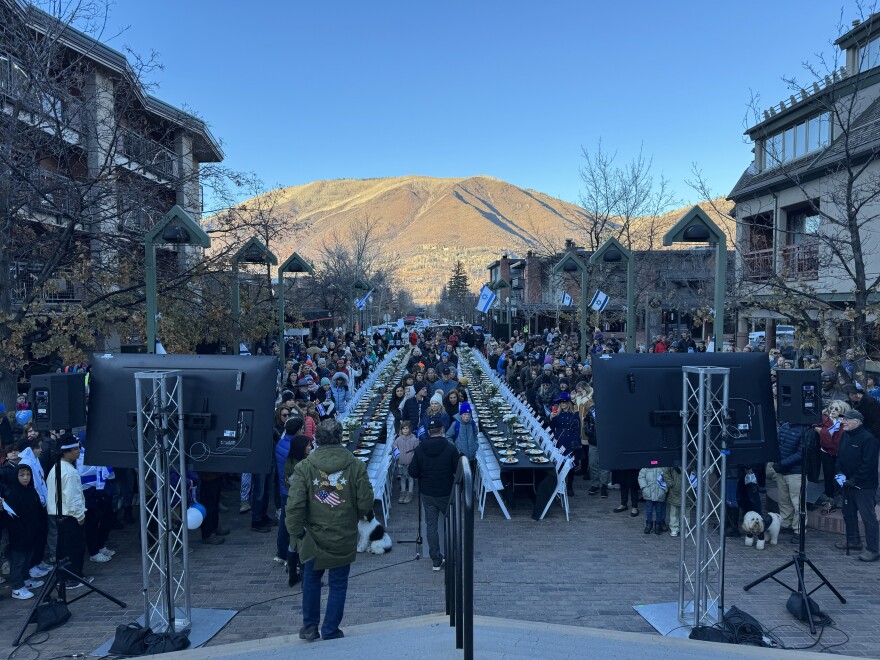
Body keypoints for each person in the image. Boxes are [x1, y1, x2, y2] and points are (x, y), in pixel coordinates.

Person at [285, 419, 374, 642]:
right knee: (338, 583)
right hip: (342, 532)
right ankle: (331, 629)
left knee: (312, 580)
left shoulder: (304, 467)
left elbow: (294, 505)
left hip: (313, 535)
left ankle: (310, 626)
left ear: (316, 440)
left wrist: (296, 533)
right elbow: (365, 502)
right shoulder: (355, 465)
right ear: (341, 437)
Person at [409, 418, 459, 571]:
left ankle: (436, 560)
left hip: (428, 493)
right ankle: (453, 556)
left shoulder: (420, 448)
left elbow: (413, 472)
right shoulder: (451, 448)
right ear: (442, 430)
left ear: (429, 432)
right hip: (446, 492)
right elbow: (457, 471)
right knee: (451, 525)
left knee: (431, 526)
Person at [46, 435, 92, 588]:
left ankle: (69, 575)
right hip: (70, 514)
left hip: (58, 513)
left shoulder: (57, 467)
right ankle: (73, 578)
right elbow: (73, 496)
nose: (79, 452)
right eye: (75, 449)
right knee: (74, 548)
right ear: (66, 452)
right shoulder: (70, 472)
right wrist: (79, 515)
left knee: (64, 546)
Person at [834, 410, 880, 561]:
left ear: (858, 422)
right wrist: (839, 474)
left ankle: (873, 549)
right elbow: (839, 457)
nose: (843, 422)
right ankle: (853, 540)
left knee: (868, 518)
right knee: (848, 514)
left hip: (864, 487)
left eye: (847, 419)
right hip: (847, 483)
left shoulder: (869, 439)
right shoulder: (844, 436)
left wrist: (854, 480)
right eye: (843, 419)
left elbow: (869, 465)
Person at [3, 464, 45, 599]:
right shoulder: (11, 494)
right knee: (18, 561)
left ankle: (26, 579)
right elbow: (10, 518)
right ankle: (16, 586)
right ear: (16, 476)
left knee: (28, 558)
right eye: (22, 475)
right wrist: (21, 532)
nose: (26, 478)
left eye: (28, 475)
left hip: (32, 532)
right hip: (18, 535)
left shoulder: (31, 491)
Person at [769, 422, 806, 543]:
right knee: (784, 500)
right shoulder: (785, 426)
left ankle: (799, 530)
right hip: (782, 471)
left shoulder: (806, 429)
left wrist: (782, 464)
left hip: (796, 472)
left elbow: (802, 453)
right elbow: (777, 445)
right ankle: (786, 524)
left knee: (798, 503)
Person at [814, 399, 850, 512]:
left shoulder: (846, 421)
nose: (832, 410)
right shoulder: (824, 418)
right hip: (826, 451)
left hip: (840, 453)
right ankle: (829, 496)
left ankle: (840, 495)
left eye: (836, 409)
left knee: (840, 474)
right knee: (828, 474)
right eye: (831, 408)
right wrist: (823, 433)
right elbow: (816, 426)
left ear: (842, 411)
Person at [548, 392, 581, 496]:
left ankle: (570, 486)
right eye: (560, 402)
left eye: (564, 401)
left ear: (569, 403)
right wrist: (551, 418)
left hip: (569, 442)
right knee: (560, 465)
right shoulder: (558, 415)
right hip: (559, 441)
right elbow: (552, 428)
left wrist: (575, 444)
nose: (562, 404)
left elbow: (577, 430)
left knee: (570, 466)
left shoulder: (574, 415)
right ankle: (559, 485)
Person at [392, 421, 419, 504]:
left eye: (406, 428)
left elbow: (417, 450)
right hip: (401, 462)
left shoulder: (414, 439)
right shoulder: (398, 439)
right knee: (403, 477)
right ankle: (403, 493)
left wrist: (413, 456)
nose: (405, 430)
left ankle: (410, 493)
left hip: (410, 463)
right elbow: (394, 447)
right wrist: (396, 454)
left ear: (410, 429)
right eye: (403, 428)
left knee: (410, 478)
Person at [638, 466, 667, 535]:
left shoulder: (663, 467)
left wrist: (664, 489)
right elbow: (641, 477)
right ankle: (649, 524)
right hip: (649, 492)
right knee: (649, 510)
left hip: (660, 492)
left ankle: (658, 525)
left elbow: (667, 478)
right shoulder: (646, 467)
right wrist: (644, 488)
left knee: (659, 510)